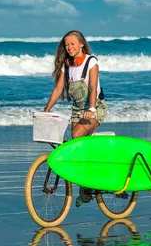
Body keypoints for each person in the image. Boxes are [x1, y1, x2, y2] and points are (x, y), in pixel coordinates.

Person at [43, 30, 109, 206]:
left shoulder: (91, 61)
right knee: (75, 146)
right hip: (77, 110)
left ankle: (89, 183)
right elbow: (58, 89)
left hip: (95, 108)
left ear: (81, 44)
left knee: (76, 137)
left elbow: (93, 87)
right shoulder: (67, 65)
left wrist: (92, 108)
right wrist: (47, 109)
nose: (69, 47)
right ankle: (87, 183)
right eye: (66, 45)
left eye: (72, 44)